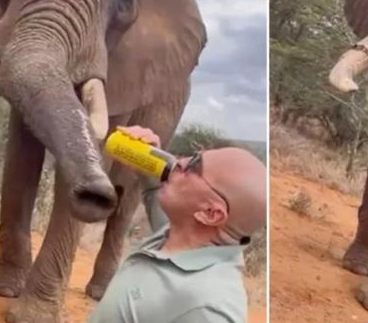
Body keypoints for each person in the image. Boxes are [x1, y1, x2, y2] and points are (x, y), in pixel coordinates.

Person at [88, 126, 267, 323]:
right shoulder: (179, 235)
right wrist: (149, 158)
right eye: (193, 156)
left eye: (194, 167)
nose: (179, 161)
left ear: (210, 213)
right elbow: (154, 190)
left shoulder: (210, 308)